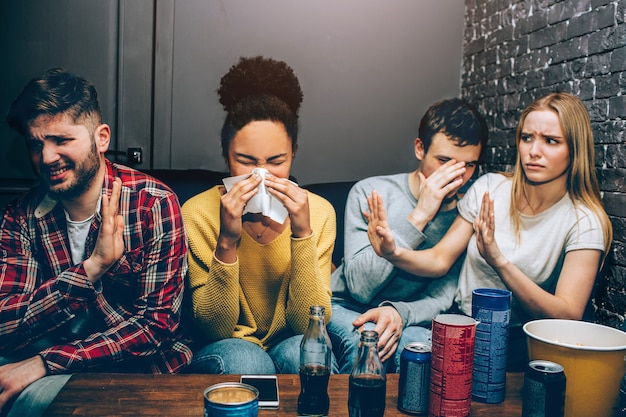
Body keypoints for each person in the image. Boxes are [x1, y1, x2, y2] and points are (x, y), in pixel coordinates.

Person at [366, 92, 613, 370]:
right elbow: (439, 260)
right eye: (527, 137)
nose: (534, 151)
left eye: (551, 141)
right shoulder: (490, 188)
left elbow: (567, 315)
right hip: (459, 325)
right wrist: (394, 252)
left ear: (575, 149)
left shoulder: (585, 220)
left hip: (520, 344)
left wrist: (499, 261)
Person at [0, 68, 192, 417]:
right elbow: (6, 322)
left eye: (61, 140)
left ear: (100, 138)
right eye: (36, 144)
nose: (46, 158)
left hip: (132, 369)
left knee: (37, 403)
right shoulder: (21, 216)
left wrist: (46, 362)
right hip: (44, 354)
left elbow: (155, 329)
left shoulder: (153, 203)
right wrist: (92, 268)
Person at [182, 56, 336, 374]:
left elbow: (309, 322)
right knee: (247, 359)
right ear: (226, 156)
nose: (261, 175)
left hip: (290, 339)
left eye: (276, 161)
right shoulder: (197, 213)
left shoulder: (320, 212)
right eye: (246, 161)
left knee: (306, 354)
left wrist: (303, 234)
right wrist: (226, 240)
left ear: (293, 153)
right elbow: (214, 330)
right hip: (229, 346)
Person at [328, 98, 489, 373]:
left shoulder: (465, 215)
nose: (456, 176)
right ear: (419, 149)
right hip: (347, 306)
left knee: (427, 354)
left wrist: (398, 312)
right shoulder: (371, 192)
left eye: (468, 165)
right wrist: (420, 215)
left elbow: (443, 298)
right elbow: (359, 285)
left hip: (410, 316)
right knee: (368, 344)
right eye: (444, 160)